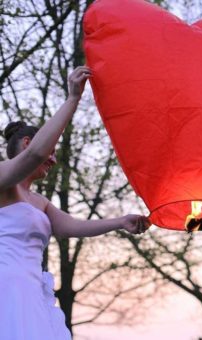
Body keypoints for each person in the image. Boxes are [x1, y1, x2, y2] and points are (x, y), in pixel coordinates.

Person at [0, 66, 150, 340]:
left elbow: (72, 227)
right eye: (52, 152)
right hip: (6, 288)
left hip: (33, 291)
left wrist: (120, 222)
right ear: (26, 142)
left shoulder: (40, 202)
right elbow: (37, 153)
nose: (54, 160)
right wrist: (73, 99)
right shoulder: (2, 177)